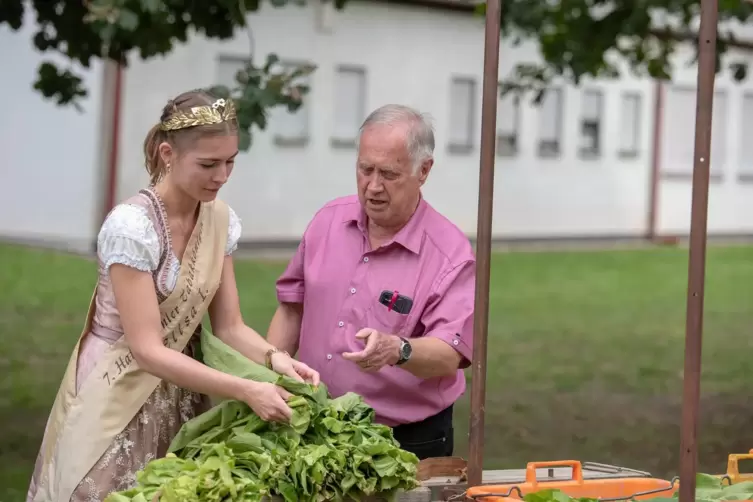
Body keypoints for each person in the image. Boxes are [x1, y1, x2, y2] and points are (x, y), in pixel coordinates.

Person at [27, 89, 320, 502]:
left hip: (179, 391)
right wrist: (246, 390)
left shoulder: (219, 220)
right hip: (115, 387)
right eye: (208, 164)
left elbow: (231, 326)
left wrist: (277, 360)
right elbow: (146, 350)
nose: (221, 176)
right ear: (168, 154)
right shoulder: (132, 226)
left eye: (231, 162)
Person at [267, 104, 476, 460]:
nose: (373, 187)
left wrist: (398, 350)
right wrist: (268, 375)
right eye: (365, 170)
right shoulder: (327, 222)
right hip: (314, 425)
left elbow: (449, 355)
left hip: (406, 441)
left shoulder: (450, 254)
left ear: (423, 170)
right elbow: (291, 308)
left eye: (390, 174)